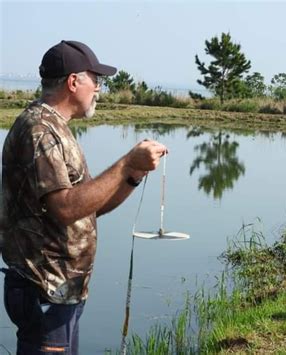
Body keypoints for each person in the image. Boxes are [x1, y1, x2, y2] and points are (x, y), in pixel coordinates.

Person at [1, 40, 167, 354]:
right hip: (44, 291)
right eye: (96, 80)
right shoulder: (39, 131)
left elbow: (86, 207)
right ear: (73, 81)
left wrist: (132, 176)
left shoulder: (56, 128)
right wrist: (125, 163)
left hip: (63, 290)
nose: (99, 89)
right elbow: (65, 208)